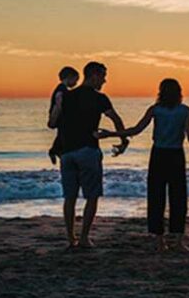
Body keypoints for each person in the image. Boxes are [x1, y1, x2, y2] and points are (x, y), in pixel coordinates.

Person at [97, 78, 189, 252]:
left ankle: (159, 241)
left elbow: (136, 130)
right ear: (179, 92)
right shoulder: (184, 110)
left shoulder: (155, 110)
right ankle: (177, 241)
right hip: (176, 155)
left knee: (156, 196)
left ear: (161, 92)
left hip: (159, 155)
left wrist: (112, 134)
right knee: (178, 197)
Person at [47, 61, 129, 248]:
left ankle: (70, 239)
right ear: (93, 75)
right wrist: (123, 141)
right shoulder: (99, 98)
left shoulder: (66, 96)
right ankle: (83, 238)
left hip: (67, 153)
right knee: (91, 196)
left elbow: (53, 123)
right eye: (102, 76)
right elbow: (115, 118)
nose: (105, 80)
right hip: (87, 151)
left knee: (70, 197)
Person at [47, 66, 80, 165]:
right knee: (62, 134)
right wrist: (53, 119)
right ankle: (54, 151)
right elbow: (58, 103)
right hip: (60, 115)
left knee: (61, 134)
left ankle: (55, 151)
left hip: (60, 115)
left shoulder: (61, 88)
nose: (76, 83)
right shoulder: (61, 89)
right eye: (75, 80)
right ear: (69, 77)